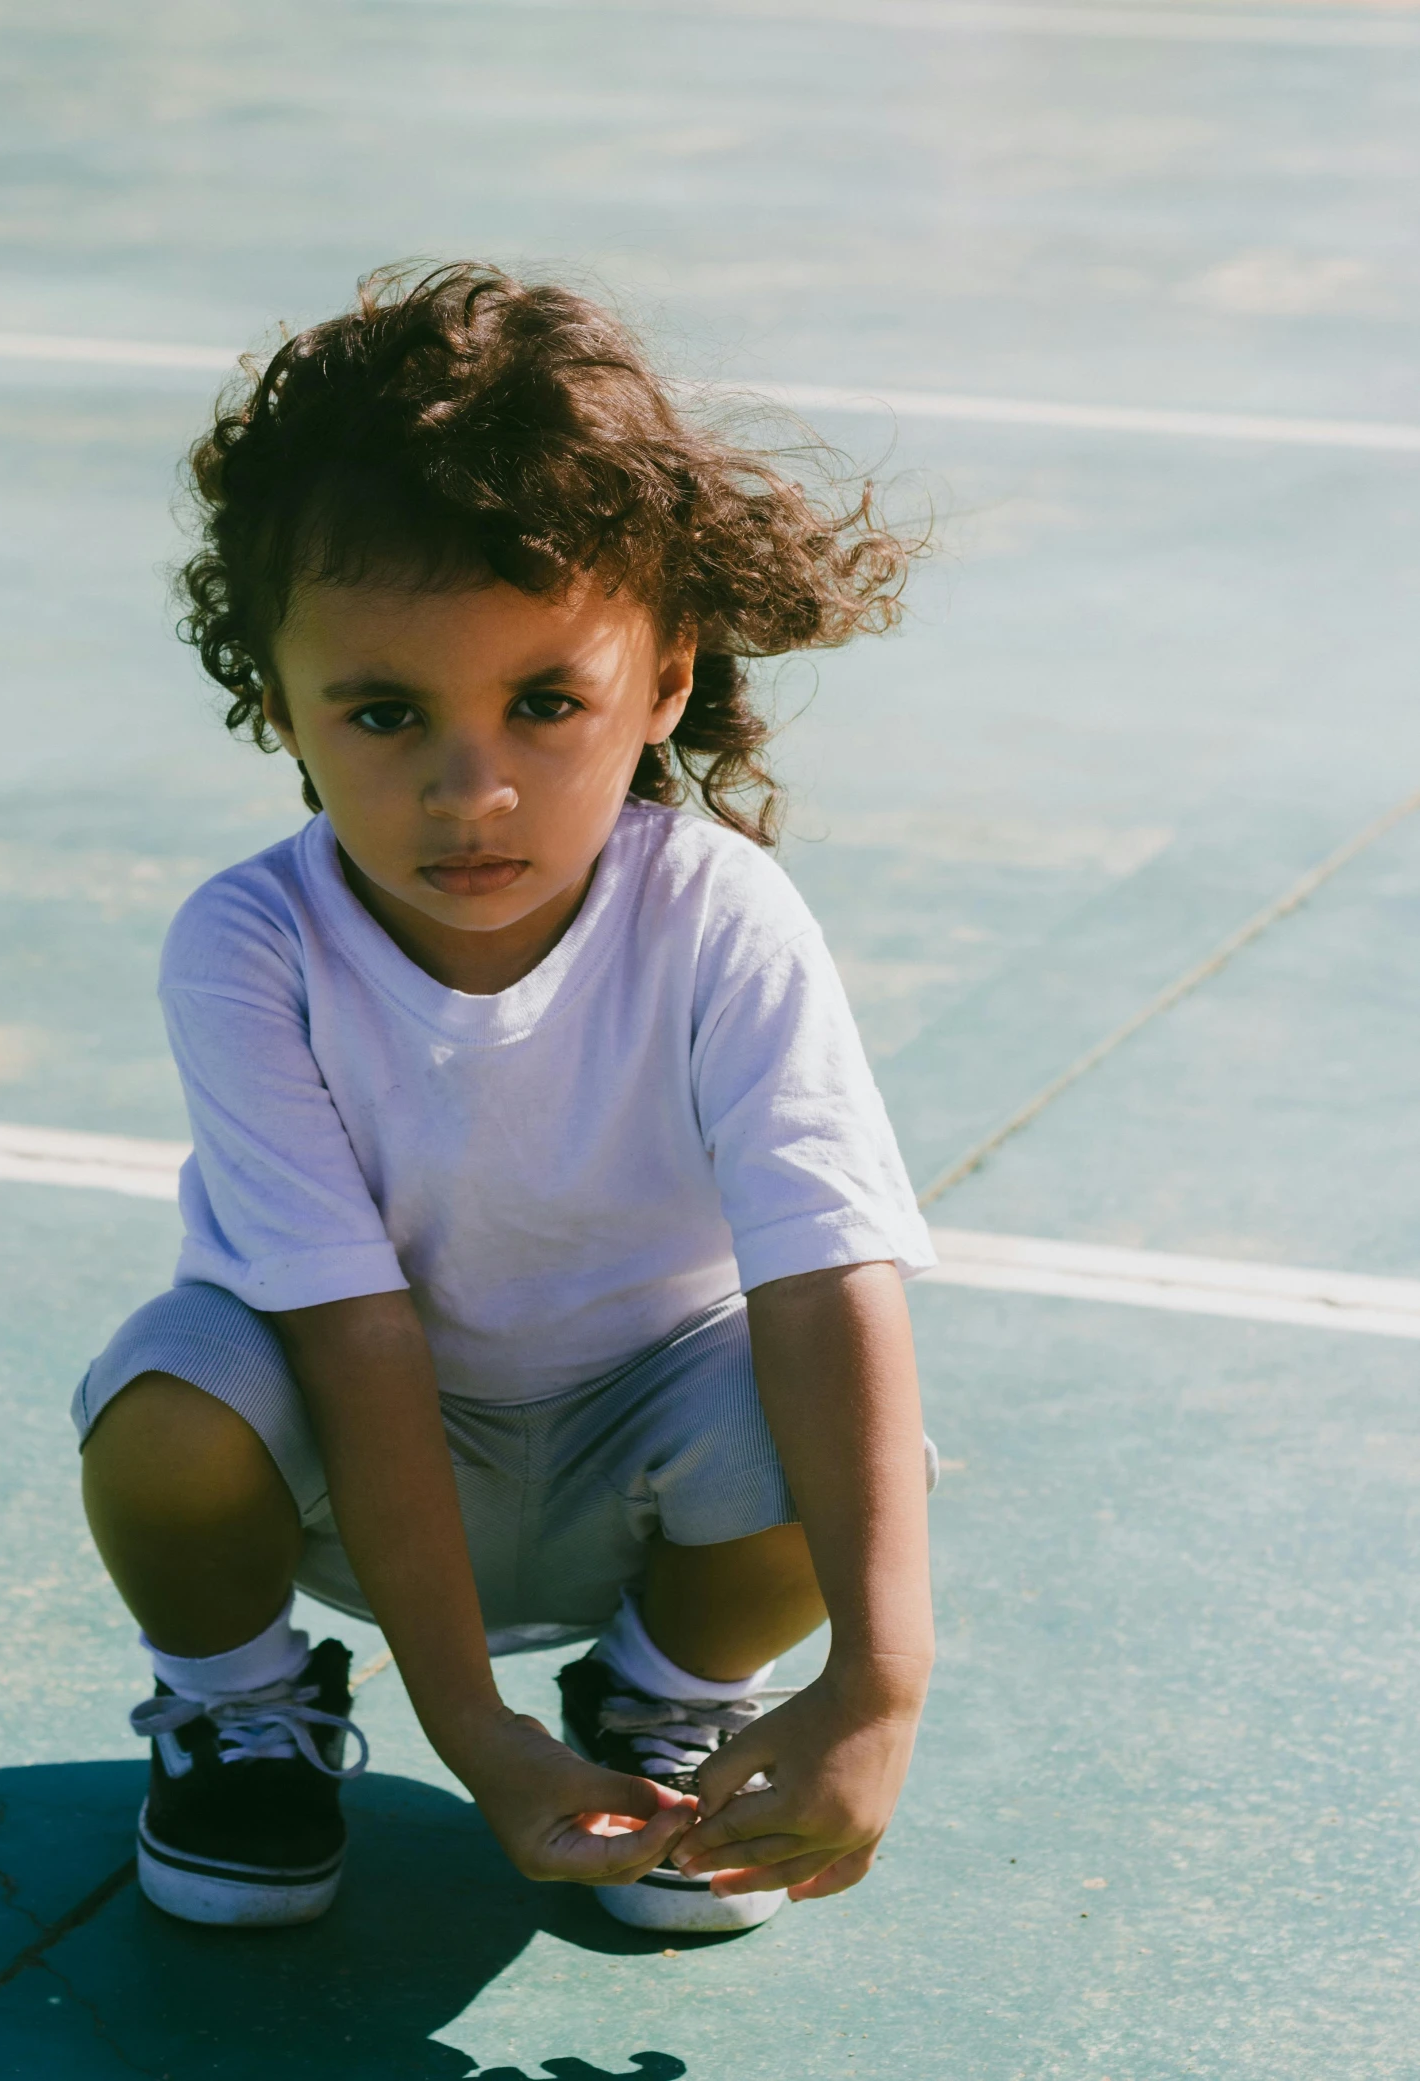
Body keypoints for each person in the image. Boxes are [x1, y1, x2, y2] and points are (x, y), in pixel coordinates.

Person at [74, 262, 938, 1936]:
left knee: (850, 1427)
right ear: (275, 701)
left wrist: (879, 1689)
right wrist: (469, 1740)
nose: (469, 790)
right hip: (363, 1455)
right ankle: (238, 1712)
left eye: (546, 703)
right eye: (384, 712)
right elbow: (351, 1331)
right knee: (167, 1404)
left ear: (665, 682)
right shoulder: (248, 945)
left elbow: (829, 1272)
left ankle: (656, 1697)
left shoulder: (717, 913)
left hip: (641, 1445)